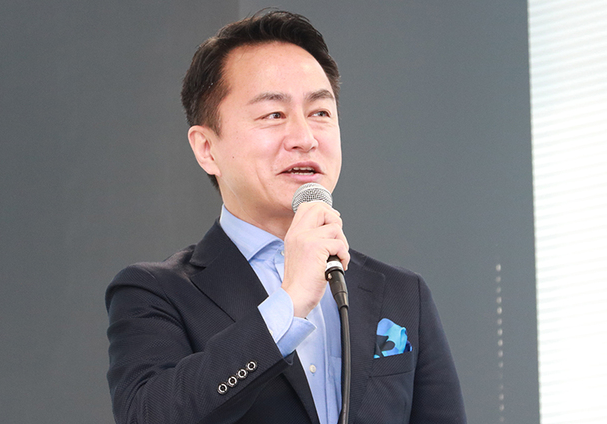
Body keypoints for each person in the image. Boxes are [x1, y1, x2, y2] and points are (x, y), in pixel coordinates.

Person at [106, 10, 466, 424]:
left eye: (320, 113)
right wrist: (290, 303)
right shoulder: (155, 292)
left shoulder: (402, 294)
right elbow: (148, 415)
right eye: (273, 115)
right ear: (207, 149)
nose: (304, 138)